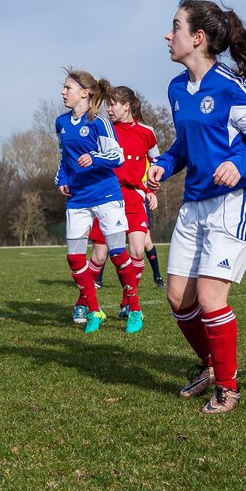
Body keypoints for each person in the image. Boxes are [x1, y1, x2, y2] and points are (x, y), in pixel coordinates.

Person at [146, 0, 246, 414]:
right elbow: (185, 146)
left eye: (176, 27)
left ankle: (229, 387)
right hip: (195, 203)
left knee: (209, 298)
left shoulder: (228, 87)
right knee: (178, 299)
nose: (168, 36)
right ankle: (209, 366)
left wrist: (239, 164)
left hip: (233, 202)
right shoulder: (176, 89)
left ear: (197, 38)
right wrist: (164, 165)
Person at [56, 69, 136, 334]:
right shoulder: (61, 123)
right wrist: (62, 179)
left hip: (105, 195)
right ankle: (94, 310)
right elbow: (63, 157)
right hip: (77, 199)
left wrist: (94, 158)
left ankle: (134, 308)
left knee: (116, 253)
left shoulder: (100, 122)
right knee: (74, 258)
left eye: (67, 88)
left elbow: (117, 157)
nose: (62, 92)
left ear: (84, 93)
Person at [73, 87, 159, 330]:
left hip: (133, 198)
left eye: (113, 105)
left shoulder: (147, 133)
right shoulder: (103, 129)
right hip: (107, 196)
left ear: (126, 106)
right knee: (99, 256)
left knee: (138, 250)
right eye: (107, 105)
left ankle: (128, 304)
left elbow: (156, 161)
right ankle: (83, 303)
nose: (109, 109)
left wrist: (150, 189)